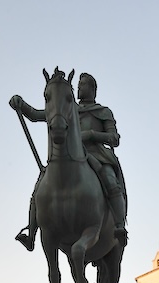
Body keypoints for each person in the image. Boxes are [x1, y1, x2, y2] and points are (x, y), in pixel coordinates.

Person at [11, 71, 128, 250]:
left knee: (111, 181)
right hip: (68, 156)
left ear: (92, 89)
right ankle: (31, 233)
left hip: (96, 155)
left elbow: (114, 138)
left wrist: (90, 135)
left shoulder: (103, 112)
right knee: (40, 187)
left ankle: (119, 226)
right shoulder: (68, 109)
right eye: (78, 86)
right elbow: (36, 115)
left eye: (83, 86)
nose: (79, 89)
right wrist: (21, 103)